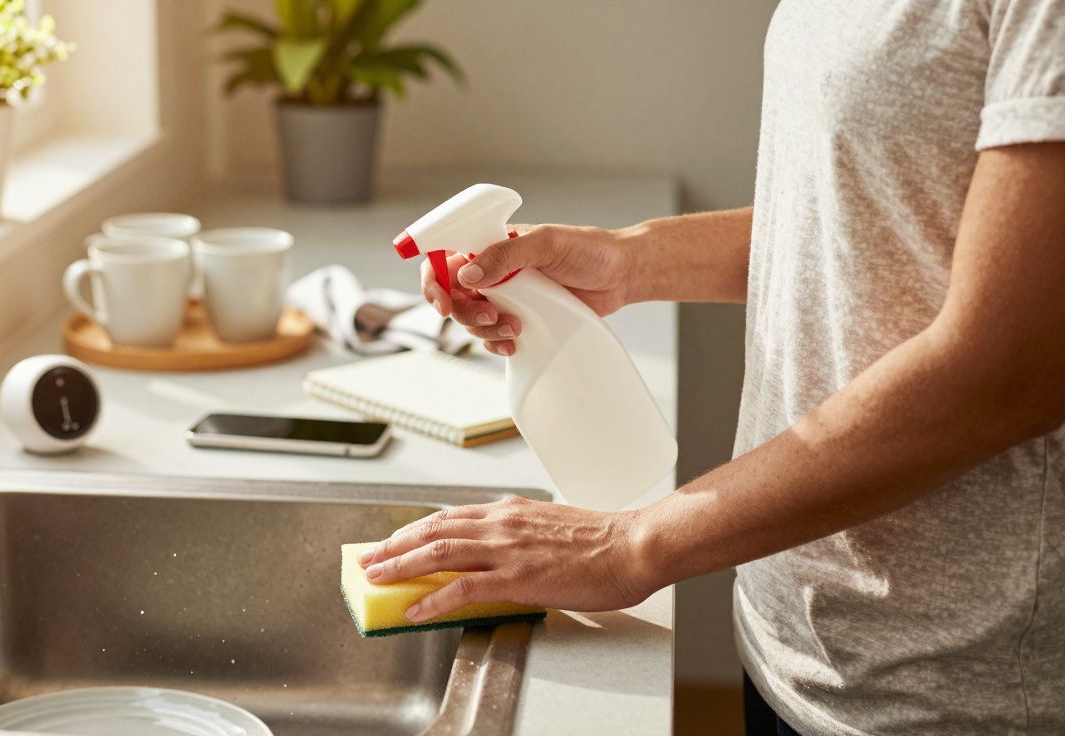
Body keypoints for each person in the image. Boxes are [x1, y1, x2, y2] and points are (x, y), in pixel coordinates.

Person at [356, 2, 1065, 734]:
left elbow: (1009, 368)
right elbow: (872, 212)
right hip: (798, 644)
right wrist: (633, 259)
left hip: (954, 689)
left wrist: (629, 544)